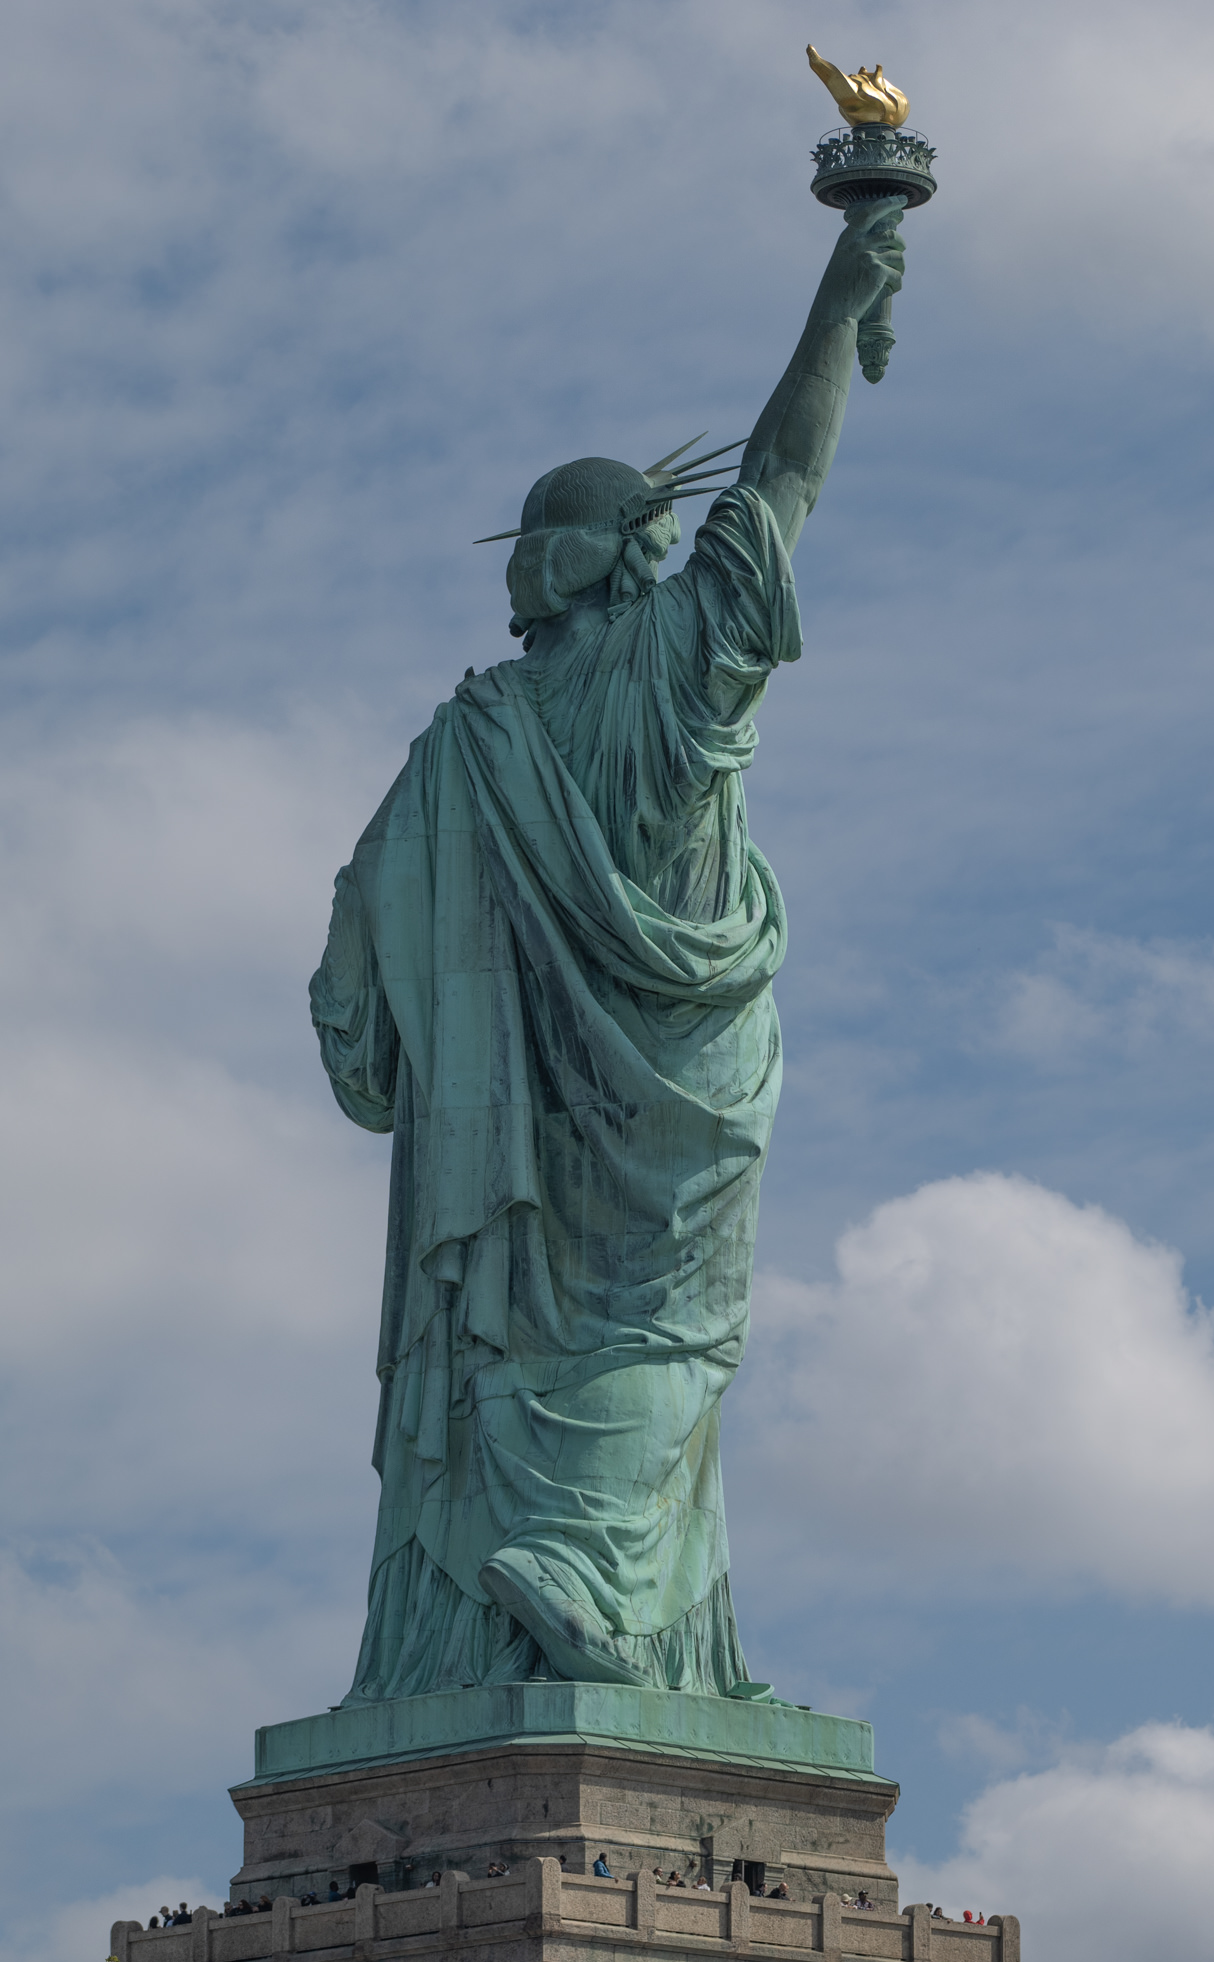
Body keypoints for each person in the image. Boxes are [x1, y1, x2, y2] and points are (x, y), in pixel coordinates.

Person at [312, 197, 909, 1704]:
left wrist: (407, 1051)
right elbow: (782, 480)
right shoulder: (596, 685)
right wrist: (847, 288)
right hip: (678, 1070)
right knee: (669, 1329)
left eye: (536, 536)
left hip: (534, 1100)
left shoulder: (487, 733)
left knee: (546, 1330)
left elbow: (350, 973)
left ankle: (536, 1602)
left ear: (576, 557)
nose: (520, 560)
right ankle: (598, 1595)